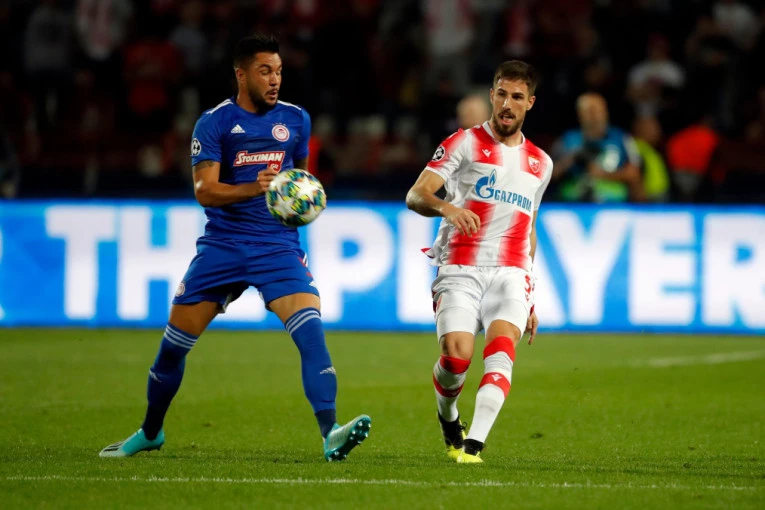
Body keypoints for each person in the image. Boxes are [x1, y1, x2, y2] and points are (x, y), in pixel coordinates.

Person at [100, 34, 371, 462]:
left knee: (311, 334)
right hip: (222, 247)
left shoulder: (296, 119)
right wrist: (254, 189)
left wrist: (301, 199)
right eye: (265, 71)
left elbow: (299, 178)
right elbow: (204, 191)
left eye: (278, 71)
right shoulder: (215, 122)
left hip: (276, 246)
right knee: (173, 347)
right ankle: (150, 431)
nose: (275, 79)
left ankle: (330, 433)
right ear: (241, 74)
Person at [405, 60, 552, 464]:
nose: (507, 104)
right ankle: (448, 414)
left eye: (517, 97)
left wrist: (530, 295)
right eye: (501, 94)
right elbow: (416, 195)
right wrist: (448, 209)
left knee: (501, 350)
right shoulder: (463, 143)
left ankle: (473, 446)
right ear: (492, 95)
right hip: (460, 267)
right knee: (456, 358)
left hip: (511, 272)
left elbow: (530, 229)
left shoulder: (541, 163)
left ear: (530, 103)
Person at [552, 92, 644, 203]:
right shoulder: (568, 139)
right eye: (589, 111)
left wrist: (603, 174)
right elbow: (550, 174)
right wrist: (572, 158)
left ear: (606, 112)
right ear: (580, 114)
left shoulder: (621, 138)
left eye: (598, 110)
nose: (594, 116)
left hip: (613, 202)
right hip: (572, 202)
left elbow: (634, 173)